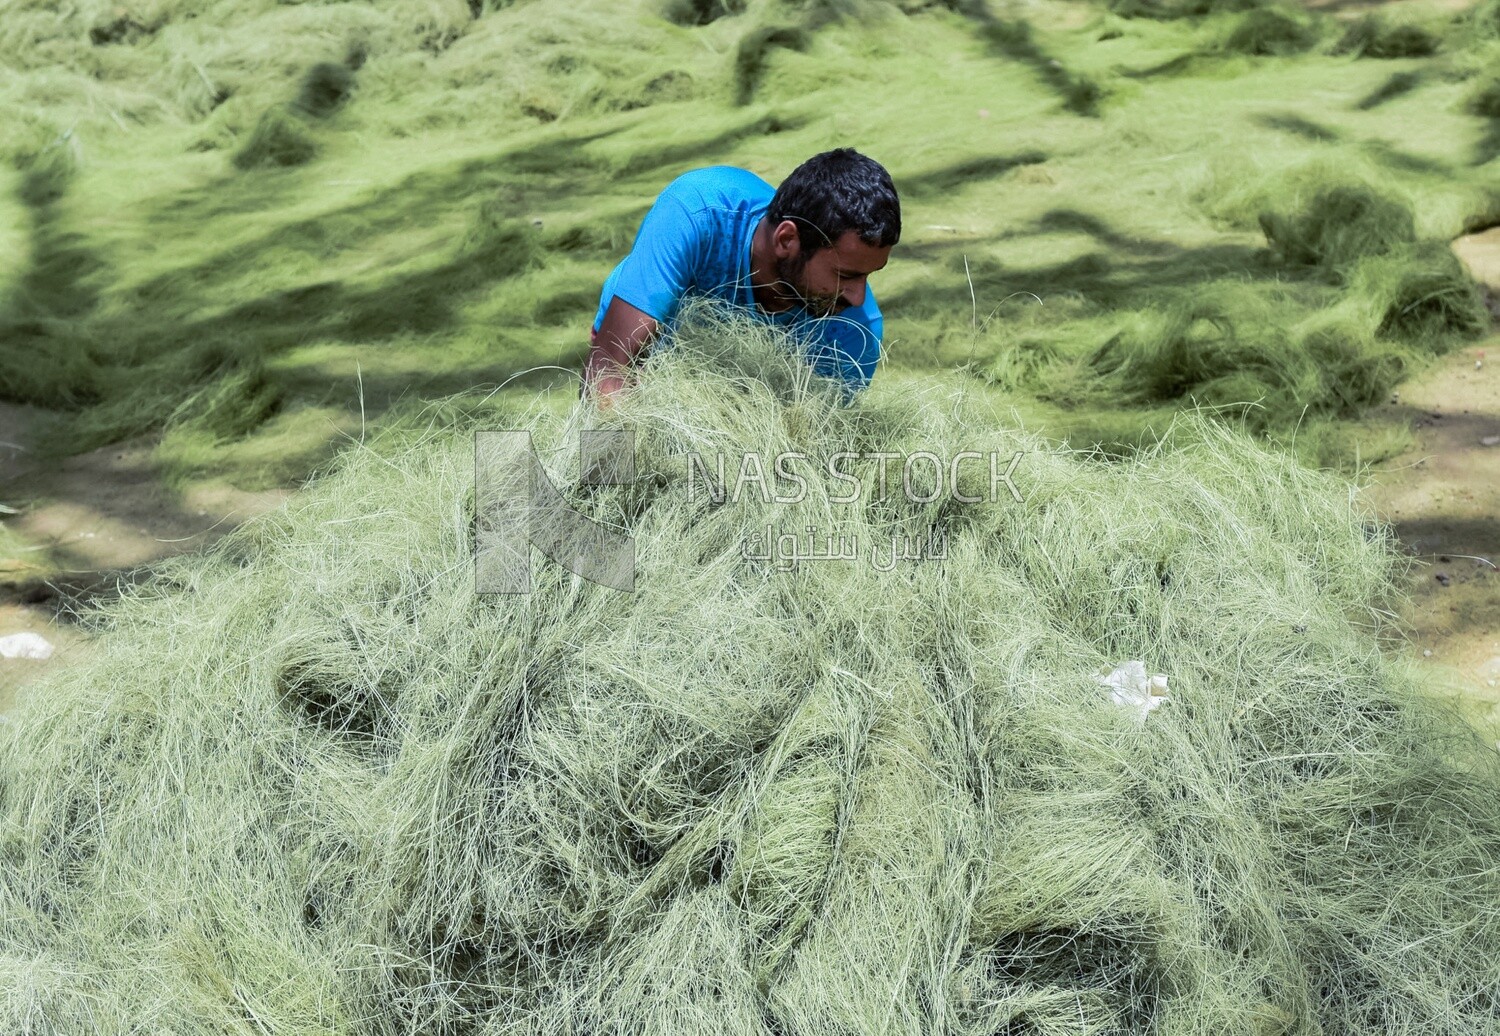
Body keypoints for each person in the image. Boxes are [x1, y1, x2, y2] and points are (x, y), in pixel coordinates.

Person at [580, 148, 900, 405]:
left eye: (869, 276)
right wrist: (610, 482)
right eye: (845, 275)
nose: (857, 296)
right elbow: (609, 371)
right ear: (787, 240)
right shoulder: (698, 213)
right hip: (648, 346)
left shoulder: (854, 334)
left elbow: (808, 453)